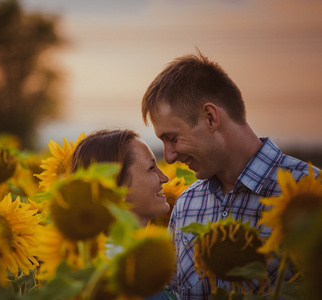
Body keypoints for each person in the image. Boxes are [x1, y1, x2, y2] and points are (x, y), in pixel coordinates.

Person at [141, 50, 320, 299]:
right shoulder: (185, 205)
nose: (169, 156)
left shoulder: (311, 192)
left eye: (173, 138)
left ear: (210, 117)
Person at [70, 129, 177, 300]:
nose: (164, 177)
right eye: (151, 168)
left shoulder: (142, 258)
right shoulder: (119, 277)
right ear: (117, 188)